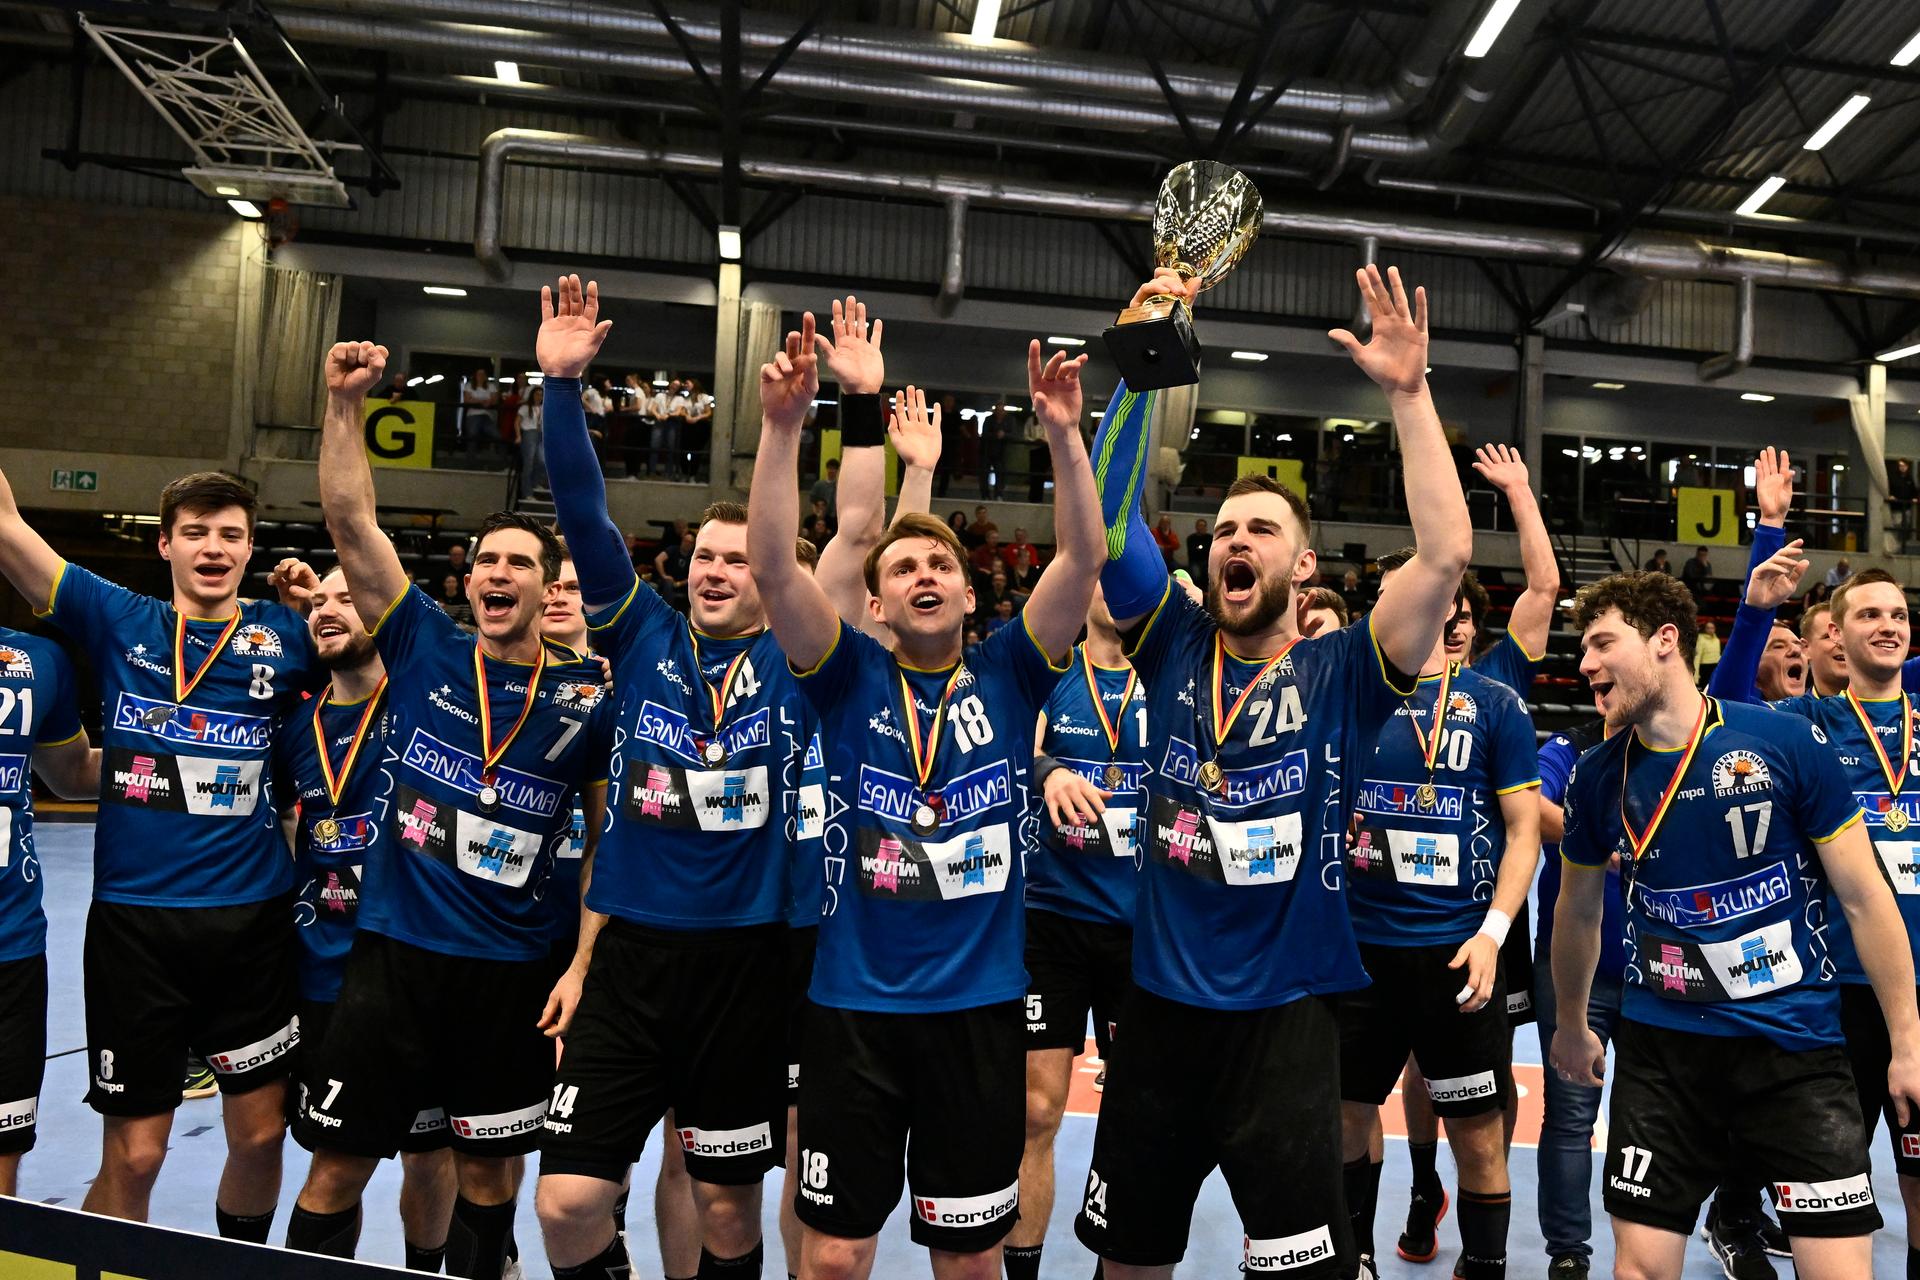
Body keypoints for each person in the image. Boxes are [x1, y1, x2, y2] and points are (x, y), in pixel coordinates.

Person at [1073, 263, 1472, 1280]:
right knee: (1129, 1263)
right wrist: (1141, 357)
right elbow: (1105, 531)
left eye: (1261, 530)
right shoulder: (1169, 640)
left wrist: (1410, 396)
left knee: (1299, 1269)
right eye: (1222, 532)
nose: (1232, 542)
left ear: (1303, 569)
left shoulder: (1343, 671)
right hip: (1158, 1011)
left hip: (1289, 1023)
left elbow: (1442, 556)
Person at [528, 281, 898, 1280]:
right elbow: (583, 513)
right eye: (702, 555)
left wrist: (856, 405)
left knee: (729, 1211)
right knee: (565, 1199)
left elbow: (858, 532)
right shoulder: (642, 633)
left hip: (750, 960)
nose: (716, 569)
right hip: (634, 958)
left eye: (739, 556)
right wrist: (561, 386)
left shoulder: (806, 657)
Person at [750, 303, 1105, 1278]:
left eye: (942, 561)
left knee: (970, 1261)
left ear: (971, 590)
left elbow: (1080, 559)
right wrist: (785, 430)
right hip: (852, 1010)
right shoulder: (843, 676)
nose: (925, 572)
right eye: (903, 564)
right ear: (873, 602)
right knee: (832, 1256)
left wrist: (1065, 438)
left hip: (978, 1012)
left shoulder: (1011, 671)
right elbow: (775, 567)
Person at [286, 340, 613, 1280]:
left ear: (551, 586)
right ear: (469, 582)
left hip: (515, 973)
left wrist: (584, 964)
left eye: (519, 562)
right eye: (485, 562)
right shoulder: (426, 644)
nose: (498, 574)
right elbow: (350, 521)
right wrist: (344, 403)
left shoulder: (588, 699)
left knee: (488, 1180)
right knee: (337, 1166)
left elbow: (605, 845)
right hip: (392, 960)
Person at [1552, 569, 1920, 1280]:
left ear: (1665, 641)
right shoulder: (1598, 775)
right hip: (1663, 1055)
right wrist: (1571, 1021)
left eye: (1601, 644)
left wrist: (1906, 1040)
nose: (1586, 664)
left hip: (1795, 1051)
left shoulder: (1781, 743)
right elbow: (1577, 907)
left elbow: (1865, 898)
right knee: (1643, 1267)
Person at [0, 466, 319, 1235]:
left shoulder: (288, 635)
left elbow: (376, 670)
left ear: (251, 549)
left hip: (253, 924)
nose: (214, 547)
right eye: (198, 532)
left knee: (261, 1136)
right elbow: (8, 527)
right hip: (135, 931)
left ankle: (235, 1262)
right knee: (137, 1157)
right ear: (165, 542)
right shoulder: (118, 617)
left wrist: (319, 607)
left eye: (232, 534)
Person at [1713, 548, 1920, 1277]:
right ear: (1837, 633)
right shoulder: (1806, 723)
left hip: (1918, 989)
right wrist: (1755, 611)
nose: (1887, 626)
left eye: (1898, 614)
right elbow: (1723, 711)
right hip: (1834, 988)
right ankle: (1738, 1214)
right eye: (1869, 615)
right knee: (1828, 1186)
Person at [1340, 559, 1541, 1280]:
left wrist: (1493, 931)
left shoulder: (1494, 704)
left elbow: (1523, 831)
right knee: (1345, 1118)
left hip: (1455, 956)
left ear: (1454, 605)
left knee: (1480, 1138)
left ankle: (1485, 1265)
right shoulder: (1346, 695)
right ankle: (1352, 1255)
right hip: (1357, 952)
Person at [1392, 441, 1560, 1259]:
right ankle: (1424, 1181)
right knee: (1418, 1067)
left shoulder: (1498, 682)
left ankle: (1468, 1194)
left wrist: (1521, 494)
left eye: (1461, 607)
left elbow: (1546, 587)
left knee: (1483, 1078)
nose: (1450, 617)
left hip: (1484, 916)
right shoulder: (1372, 681)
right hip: (1392, 922)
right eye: (1439, 605)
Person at [276, 565, 458, 1273]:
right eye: (316, 601)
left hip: (418, 967)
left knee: (430, 1153)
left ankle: (424, 1269)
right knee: (334, 1168)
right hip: (326, 974)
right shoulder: (298, 725)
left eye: (346, 598)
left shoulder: (433, 700)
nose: (326, 609)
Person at [1007, 586, 1145, 1280]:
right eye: (1103, 574)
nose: (1114, 589)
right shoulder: (1054, 670)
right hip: (1052, 920)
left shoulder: (1171, 674)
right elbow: (1011, 750)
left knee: (1133, 1118)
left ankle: (1111, 1264)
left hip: (1142, 931)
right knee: (1035, 1111)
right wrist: (1049, 769)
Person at [0, 626, 97, 1198]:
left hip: (11, 940)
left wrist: (182, 756)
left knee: (4, 1150)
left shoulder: (36, 660)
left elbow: (71, 774)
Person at [1528, 712, 1620, 1280]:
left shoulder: (1682, 746)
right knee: (1568, 1115)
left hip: (1661, 964)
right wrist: (1607, 850)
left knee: (1652, 1116)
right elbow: (1537, 808)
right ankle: (1568, 1254)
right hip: (1573, 966)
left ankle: (1650, 1241)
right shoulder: (1573, 744)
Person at [1802, 603, 1848, 696]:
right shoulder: (1793, 709)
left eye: (1850, 636)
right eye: (1829, 636)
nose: (1843, 643)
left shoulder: (1885, 707)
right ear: (1805, 648)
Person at [461, 366, 500, 463]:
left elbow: (495, 400)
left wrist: (478, 401)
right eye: (479, 374)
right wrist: (483, 402)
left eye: (483, 374)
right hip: (473, 415)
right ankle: (470, 461)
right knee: (472, 436)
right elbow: (467, 400)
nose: (481, 376)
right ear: (475, 376)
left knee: (498, 436)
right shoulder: (469, 385)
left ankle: (501, 461)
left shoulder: (491, 386)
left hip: (487, 416)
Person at [516, 383, 546, 498]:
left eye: (541, 395)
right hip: (529, 433)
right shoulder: (525, 407)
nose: (539, 397)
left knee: (542, 461)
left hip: (540, 434)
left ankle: (535, 483)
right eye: (537, 394)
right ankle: (527, 492)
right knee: (528, 463)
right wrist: (518, 436)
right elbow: (517, 422)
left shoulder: (543, 408)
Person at [653, 530, 694, 613]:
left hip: (684, 583)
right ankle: (667, 613)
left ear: (693, 545)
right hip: (668, 581)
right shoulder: (673, 549)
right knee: (668, 584)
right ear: (682, 540)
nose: (687, 544)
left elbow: (694, 574)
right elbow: (658, 560)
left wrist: (682, 583)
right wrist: (664, 575)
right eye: (685, 541)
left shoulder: (693, 556)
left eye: (690, 542)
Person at [1891, 459, 1916, 553]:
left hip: (1907, 508)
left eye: (1904, 466)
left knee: (1905, 527)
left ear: (1907, 467)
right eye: (1900, 466)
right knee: (1897, 527)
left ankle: (1903, 547)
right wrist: (1891, 496)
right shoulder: (1894, 478)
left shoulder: (1910, 479)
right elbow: (1890, 489)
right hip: (1897, 507)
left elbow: (1914, 491)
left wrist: (1914, 498)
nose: (1902, 468)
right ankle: (1896, 547)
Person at [1694, 619, 1721, 687]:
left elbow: (1718, 655)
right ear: (1705, 629)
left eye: (1712, 628)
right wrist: (1696, 675)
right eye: (1708, 628)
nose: (1710, 630)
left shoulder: (1717, 640)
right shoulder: (1701, 639)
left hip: (1715, 666)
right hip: (1705, 668)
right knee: (1705, 688)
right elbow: (1697, 657)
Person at [1185, 519, 1210, 590]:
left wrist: (1199, 549)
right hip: (1195, 561)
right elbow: (1192, 552)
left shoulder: (1210, 538)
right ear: (1196, 527)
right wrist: (1202, 549)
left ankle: (1206, 594)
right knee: (1196, 574)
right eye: (1200, 526)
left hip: (1206, 561)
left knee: (1208, 574)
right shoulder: (1191, 538)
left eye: (1203, 526)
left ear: (1206, 527)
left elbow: (1209, 552)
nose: (1201, 528)